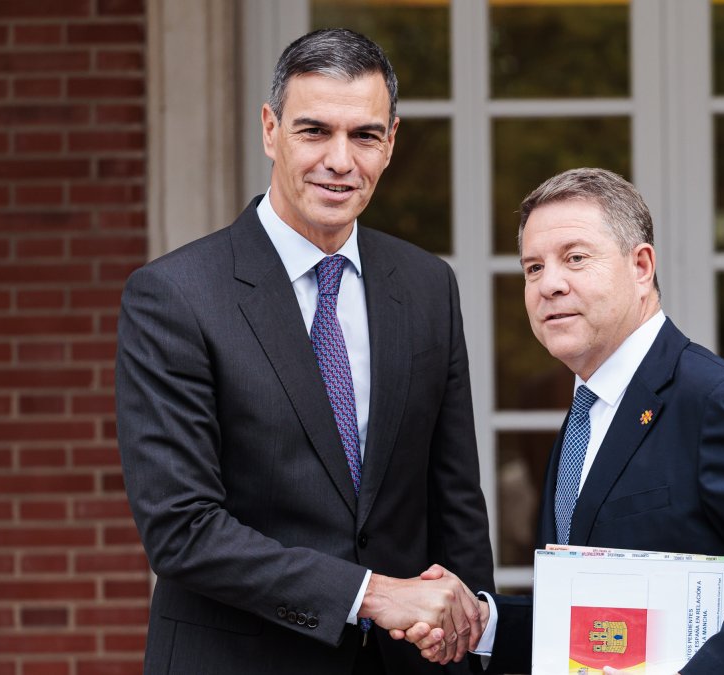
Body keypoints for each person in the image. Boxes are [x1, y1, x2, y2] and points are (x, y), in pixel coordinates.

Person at [116, 28, 493, 674]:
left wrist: (468, 627)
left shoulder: (429, 286)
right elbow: (182, 530)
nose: (340, 161)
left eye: (364, 135)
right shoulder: (174, 297)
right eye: (314, 131)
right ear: (270, 129)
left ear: (391, 141)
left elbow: (454, 498)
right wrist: (371, 594)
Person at [399, 168, 724, 674]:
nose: (549, 284)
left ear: (641, 266)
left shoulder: (719, 402)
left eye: (575, 258)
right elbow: (596, 615)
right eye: (532, 268)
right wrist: (486, 623)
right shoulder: (584, 417)